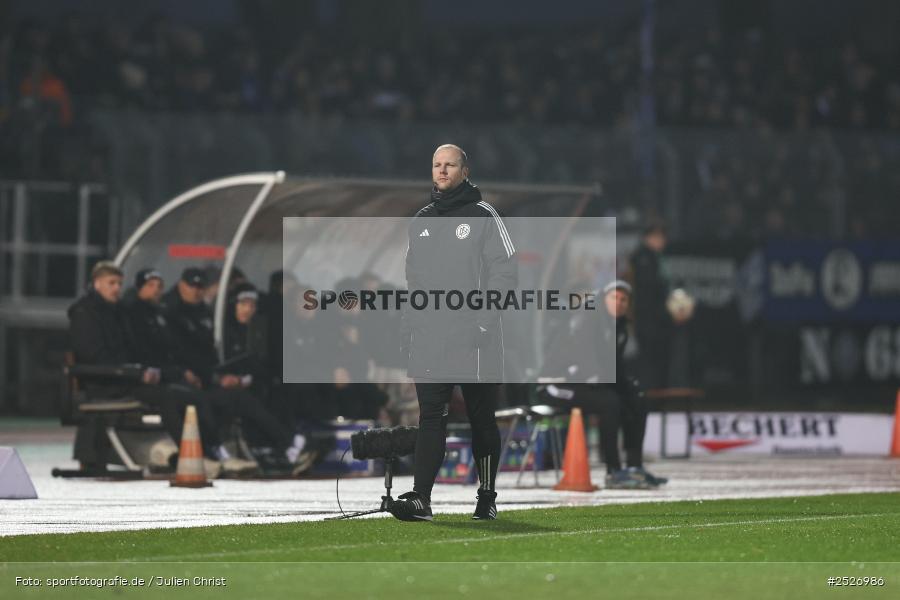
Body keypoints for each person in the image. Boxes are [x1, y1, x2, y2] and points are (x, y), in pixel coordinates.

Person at [390, 144, 517, 522]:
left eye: (450, 165)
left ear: (465, 171)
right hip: (431, 336)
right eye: (436, 165)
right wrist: (408, 325)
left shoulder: (484, 215)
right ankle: (421, 499)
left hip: (474, 337)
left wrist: (483, 321)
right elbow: (414, 281)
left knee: (481, 418)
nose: (442, 171)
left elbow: (505, 272)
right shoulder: (422, 220)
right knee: (431, 415)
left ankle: (487, 495)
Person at [162, 267, 309, 471]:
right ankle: (282, 443)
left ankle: (280, 445)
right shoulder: (201, 321)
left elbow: (259, 364)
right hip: (201, 383)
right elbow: (195, 358)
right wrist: (217, 378)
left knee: (278, 388)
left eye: (252, 304)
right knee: (239, 398)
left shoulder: (252, 329)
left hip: (225, 382)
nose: (247, 309)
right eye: (243, 303)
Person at [67, 261, 199, 468]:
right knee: (167, 395)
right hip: (105, 384)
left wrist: (143, 370)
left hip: (124, 379)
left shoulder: (117, 312)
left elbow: (130, 350)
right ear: (97, 284)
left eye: (119, 283)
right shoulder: (84, 313)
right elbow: (94, 357)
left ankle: (197, 451)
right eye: (111, 283)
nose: (117, 288)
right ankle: (189, 455)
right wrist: (135, 373)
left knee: (180, 392)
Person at [122, 267, 255, 471]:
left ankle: (214, 451)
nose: (156, 290)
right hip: (141, 379)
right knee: (188, 397)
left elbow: (169, 352)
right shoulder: (135, 315)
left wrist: (183, 372)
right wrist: (178, 372)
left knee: (205, 396)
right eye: (150, 285)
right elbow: (146, 355)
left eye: (159, 286)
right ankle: (197, 453)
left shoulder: (159, 314)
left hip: (167, 376)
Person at [542, 280, 667, 489]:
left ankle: (634, 467)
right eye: (614, 297)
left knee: (637, 399)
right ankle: (613, 471)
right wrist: (602, 381)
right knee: (610, 402)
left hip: (585, 382)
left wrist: (629, 387)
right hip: (556, 384)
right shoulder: (588, 316)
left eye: (623, 299)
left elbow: (613, 365)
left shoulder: (617, 325)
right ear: (603, 298)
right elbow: (585, 355)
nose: (618, 303)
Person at [630, 224, 671, 390]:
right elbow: (647, 289)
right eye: (659, 237)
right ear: (649, 237)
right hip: (647, 319)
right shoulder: (642, 258)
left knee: (659, 360)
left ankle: (658, 394)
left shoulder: (657, 258)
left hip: (657, 319)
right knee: (648, 362)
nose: (663, 241)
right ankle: (649, 396)